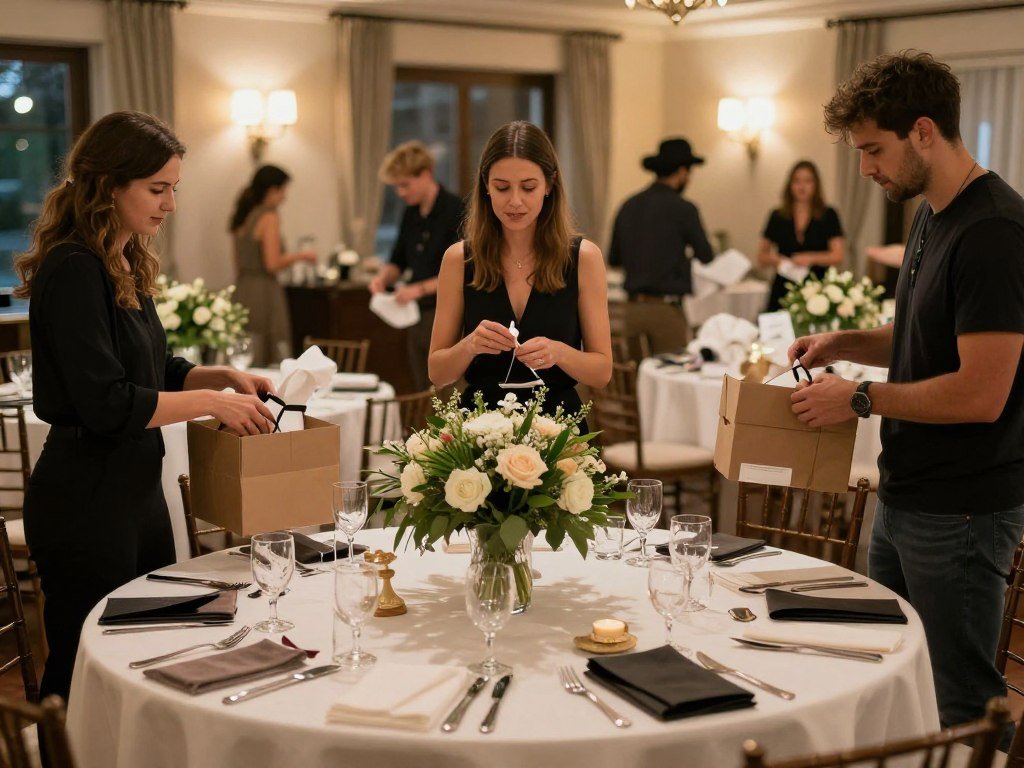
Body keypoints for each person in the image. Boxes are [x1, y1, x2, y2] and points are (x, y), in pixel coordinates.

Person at [787, 52, 1024, 743]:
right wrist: (845, 343)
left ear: (924, 131)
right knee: (895, 672)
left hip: (963, 509)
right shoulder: (930, 214)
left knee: (961, 701)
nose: (865, 169)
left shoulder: (995, 235)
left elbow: (981, 393)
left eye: (872, 150)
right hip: (906, 494)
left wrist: (858, 398)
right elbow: (923, 334)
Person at [14, 111, 277, 704]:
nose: (170, 205)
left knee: (150, 652)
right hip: (84, 498)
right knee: (86, 666)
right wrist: (208, 403)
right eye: (157, 190)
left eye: (173, 190)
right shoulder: (74, 267)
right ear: (109, 186)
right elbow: (106, 403)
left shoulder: (123, 259)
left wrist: (220, 377)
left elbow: (152, 367)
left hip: (136, 491)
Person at [428, 121, 612, 416]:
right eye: (502, 187)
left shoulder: (584, 258)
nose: (515, 201)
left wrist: (559, 353)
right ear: (486, 185)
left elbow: (602, 372)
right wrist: (470, 345)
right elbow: (437, 374)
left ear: (550, 185)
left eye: (528, 187)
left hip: (558, 429)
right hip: (479, 429)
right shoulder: (458, 260)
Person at [370, 141, 465, 391]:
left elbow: (465, 270)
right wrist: (383, 279)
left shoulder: (456, 210)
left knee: (448, 391)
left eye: (404, 185)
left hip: (447, 314)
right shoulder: (411, 213)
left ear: (425, 174)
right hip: (416, 315)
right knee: (423, 391)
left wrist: (418, 289)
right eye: (397, 186)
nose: (400, 193)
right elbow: (398, 260)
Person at [229, 165, 317, 366]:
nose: (284, 197)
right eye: (283, 191)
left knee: (245, 349)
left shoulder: (243, 216)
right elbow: (272, 263)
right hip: (264, 291)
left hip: (242, 289)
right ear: (272, 190)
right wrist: (301, 255)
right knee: (270, 349)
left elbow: (237, 263)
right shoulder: (269, 216)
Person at [609, 137, 714, 301]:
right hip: (666, 306)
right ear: (682, 172)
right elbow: (706, 256)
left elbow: (614, 259)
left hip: (632, 307)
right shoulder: (684, 208)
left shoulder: (628, 206)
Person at [757, 160, 845, 311]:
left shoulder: (828, 215)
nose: (802, 186)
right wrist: (778, 260)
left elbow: (838, 255)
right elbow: (761, 256)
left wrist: (811, 258)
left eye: (807, 181)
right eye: (797, 181)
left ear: (815, 185)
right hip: (784, 287)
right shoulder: (777, 215)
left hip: (818, 289)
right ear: (790, 185)